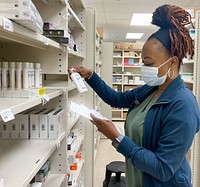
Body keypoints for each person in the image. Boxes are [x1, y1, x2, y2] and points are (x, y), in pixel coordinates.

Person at [69, 4, 200, 187]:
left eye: (148, 63)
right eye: (142, 62)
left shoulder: (183, 105)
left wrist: (117, 138)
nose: (143, 68)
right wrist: (90, 75)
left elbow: (163, 168)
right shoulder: (151, 89)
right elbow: (116, 99)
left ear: (173, 62)